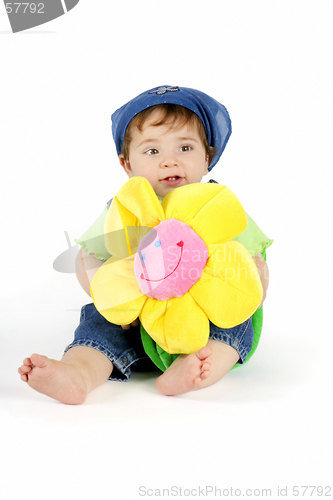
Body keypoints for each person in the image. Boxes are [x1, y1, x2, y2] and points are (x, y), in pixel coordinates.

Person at [18, 85, 272, 404]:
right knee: (99, 318)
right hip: (140, 320)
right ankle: (79, 371)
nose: (169, 162)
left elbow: (253, 260)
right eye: (153, 152)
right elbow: (89, 258)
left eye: (185, 148)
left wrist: (251, 293)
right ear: (127, 165)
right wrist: (117, 303)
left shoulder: (219, 207)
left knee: (238, 317)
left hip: (203, 318)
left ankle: (200, 365)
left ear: (207, 157)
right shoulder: (125, 211)